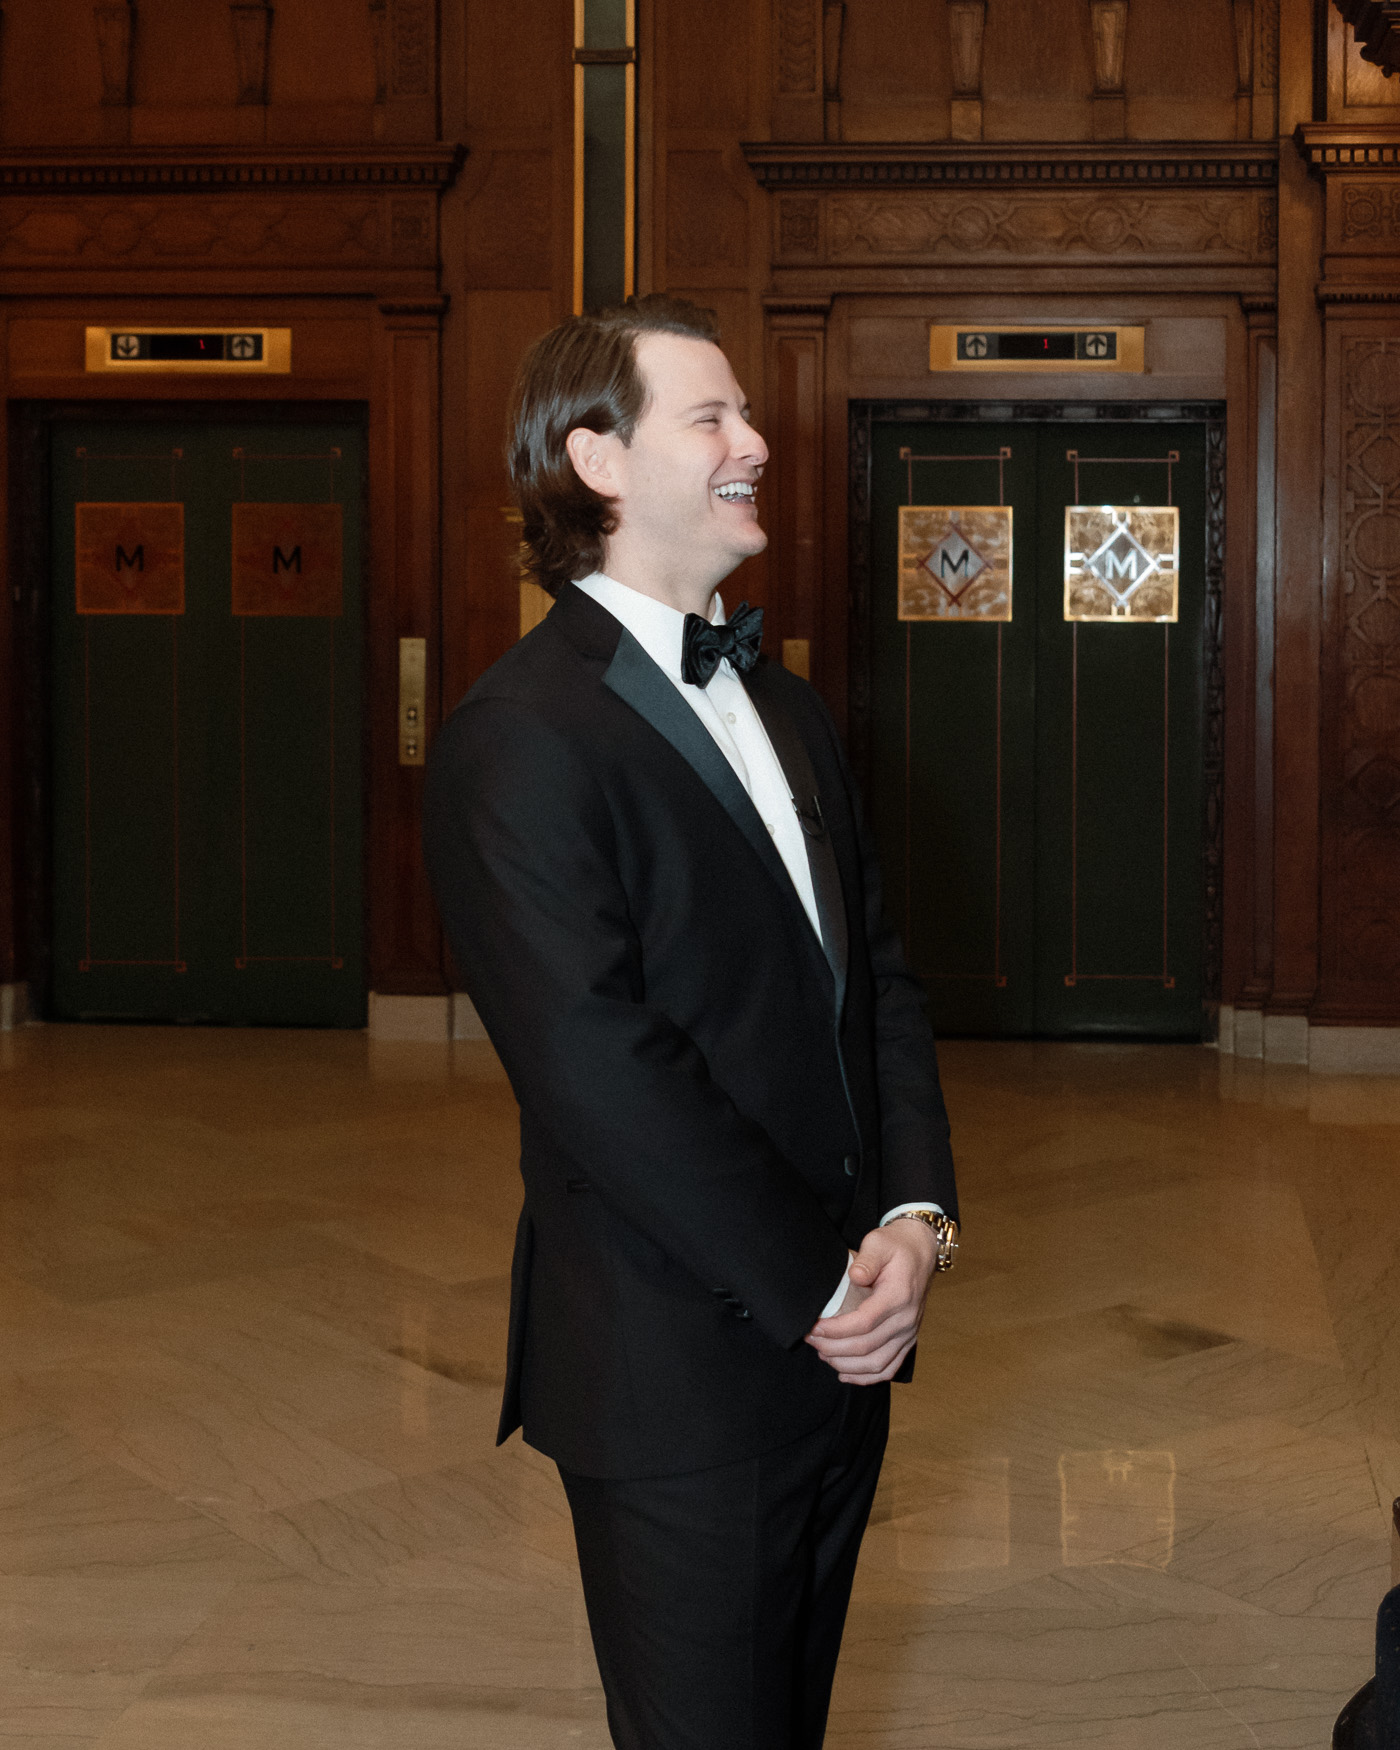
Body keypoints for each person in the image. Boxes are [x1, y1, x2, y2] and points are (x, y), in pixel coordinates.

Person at [423, 293, 959, 1750]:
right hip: (676, 1375)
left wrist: (914, 1219)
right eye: (712, 416)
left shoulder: (788, 710)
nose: (758, 443)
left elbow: (881, 982)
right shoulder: (516, 735)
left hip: (843, 1353)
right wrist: (816, 1290)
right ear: (598, 460)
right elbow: (601, 1068)